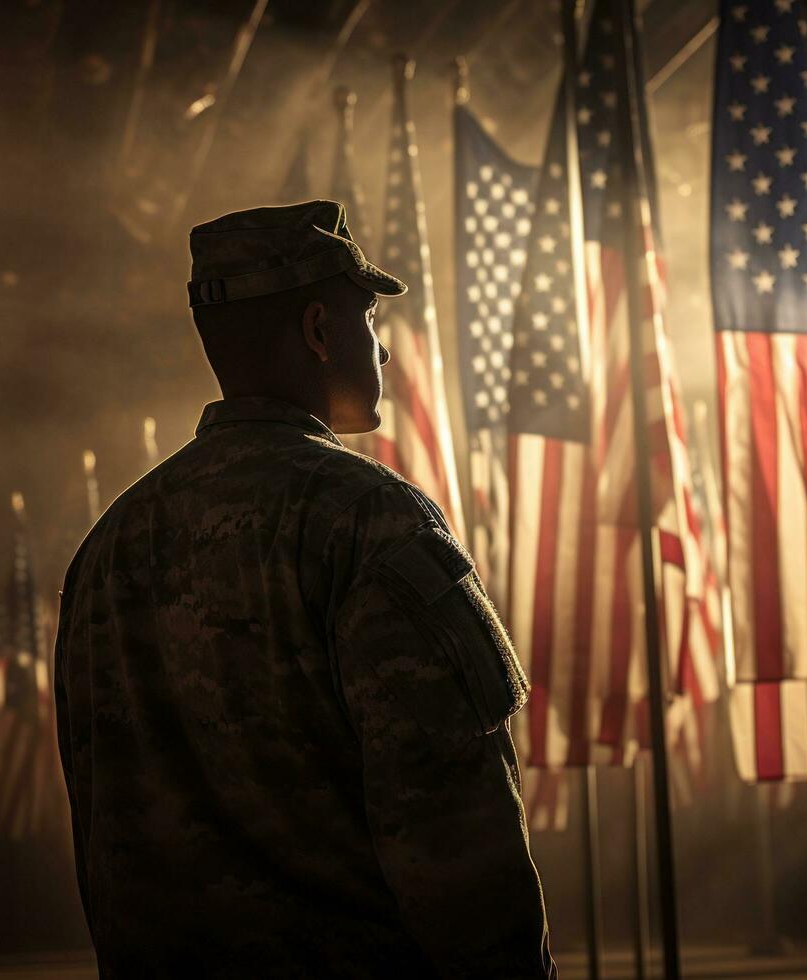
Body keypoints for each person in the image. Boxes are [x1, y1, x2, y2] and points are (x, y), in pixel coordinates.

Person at [54, 200, 556, 978]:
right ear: (320, 331)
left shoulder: (108, 549)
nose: (383, 353)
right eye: (368, 319)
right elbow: (455, 838)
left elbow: (104, 835)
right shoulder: (368, 520)